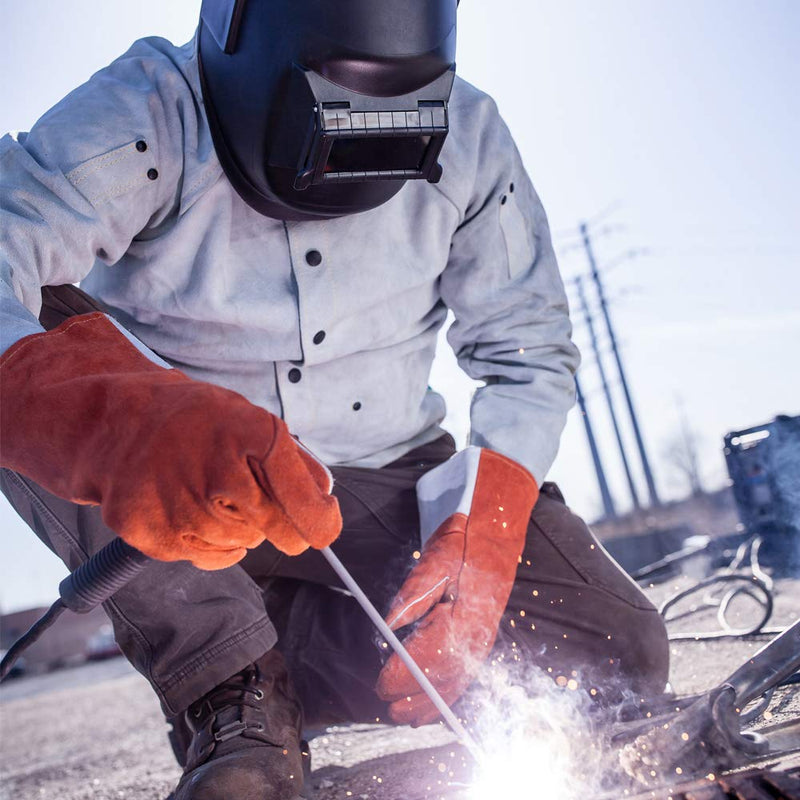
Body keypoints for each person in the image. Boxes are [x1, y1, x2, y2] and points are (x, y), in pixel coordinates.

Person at [0, 2, 669, 798]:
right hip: (179, 493)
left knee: (612, 649)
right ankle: (232, 691)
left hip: (380, 477)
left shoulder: (473, 135)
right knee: (27, 359)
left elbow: (528, 344)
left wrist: (486, 527)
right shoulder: (147, 110)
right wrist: (113, 422)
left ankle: (285, 649)